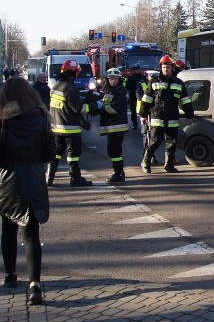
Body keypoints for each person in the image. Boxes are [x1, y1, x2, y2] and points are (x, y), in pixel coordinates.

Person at [0, 77, 56, 306]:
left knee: (8, 228)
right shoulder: (41, 117)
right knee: (31, 233)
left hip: (7, 180)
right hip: (33, 177)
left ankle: (11, 276)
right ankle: (35, 285)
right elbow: (50, 153)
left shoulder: (3, 120)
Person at [139, 56, 193, 173]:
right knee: (155, 141)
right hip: (157, 116)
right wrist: (143, 115)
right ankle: (146, 161)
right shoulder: (153, 81)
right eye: (164, 67)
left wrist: (189, 115)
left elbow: (185, 100)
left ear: (172, 68)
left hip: (172, 116)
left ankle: (169, 165)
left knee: (172, 142)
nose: (166, 70)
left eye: (168, 67)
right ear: (161, 68)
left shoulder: (178, 83)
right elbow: (146, 99)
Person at [47, 59, 93, 187]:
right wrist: (93, 106)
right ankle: (75, 178)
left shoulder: (55, 86)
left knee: (56, 153)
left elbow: (63, 108)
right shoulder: (71, 88)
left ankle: (50, 177)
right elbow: (78, 109)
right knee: (73, 155)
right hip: (70, 129)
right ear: (75, 73)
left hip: (56, 127)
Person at [98, 68, 130, 183]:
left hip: (117, 126)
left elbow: (115, 109)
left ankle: (118, 173)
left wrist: (99, 108)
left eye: (115, 79)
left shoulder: (120, 90)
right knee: (112, 150)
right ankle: (118, 171)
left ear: (119, 79)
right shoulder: (110, 90)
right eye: (111, 79)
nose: (113, 81)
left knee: (115, 150)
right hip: (112, 126)